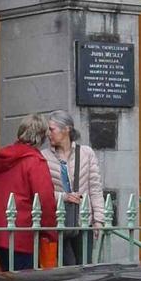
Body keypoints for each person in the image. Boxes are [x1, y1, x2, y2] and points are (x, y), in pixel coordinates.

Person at [0, 120, 57, 273]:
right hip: (23, 234)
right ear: (41, 138)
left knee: (7, 279)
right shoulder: (34, 161)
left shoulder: (3, 157)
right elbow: (44, 201)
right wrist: (51, 232)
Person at [42, 110, 106, 259]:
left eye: (52, 129)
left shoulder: (86, 153)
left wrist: (99, 220)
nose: (48, 134)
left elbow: (95, 188)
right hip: (58, 223)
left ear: (66, 129)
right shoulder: (44, 156)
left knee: (84, 267)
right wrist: (63, 197)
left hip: (83, 222)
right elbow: (42, 192)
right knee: (65, 271)